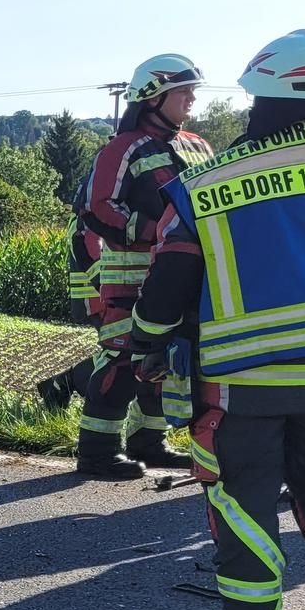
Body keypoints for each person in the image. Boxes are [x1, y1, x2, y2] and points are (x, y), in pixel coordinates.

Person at [128, 28, 305, 610]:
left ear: (257, 89)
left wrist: (140, 345)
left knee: (241, 499)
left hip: (236, 386)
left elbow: (167, 285)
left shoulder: (204, 185)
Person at [56, 53, 217, 480]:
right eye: (182, 91)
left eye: (192, 90)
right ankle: (96, 452)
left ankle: (149, 442)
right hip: (130, 276)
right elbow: (96, 207)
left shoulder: (198, 146)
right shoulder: (121, 148)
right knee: (122, 362)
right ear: (151, 97)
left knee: (165, 362)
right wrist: (157, 231)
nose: (191, 98)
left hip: (184, 276)